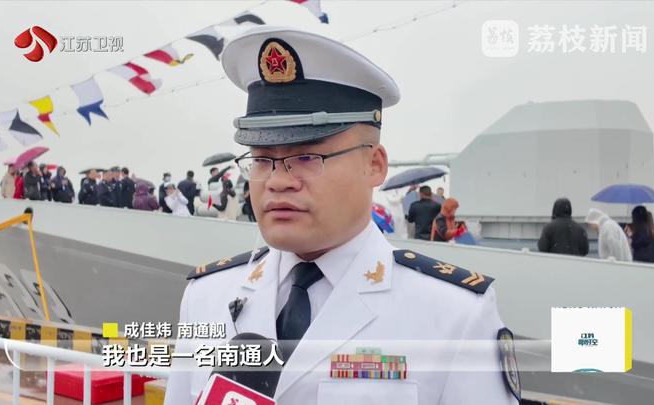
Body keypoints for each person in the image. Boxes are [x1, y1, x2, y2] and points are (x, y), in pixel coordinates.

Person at [165, 28, 519, 405]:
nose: (277, 181)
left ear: (374, 164)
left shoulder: (454, 315)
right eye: (262, 159)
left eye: (307, 157)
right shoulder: (207, 297)